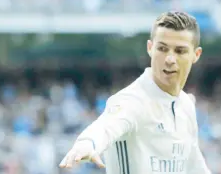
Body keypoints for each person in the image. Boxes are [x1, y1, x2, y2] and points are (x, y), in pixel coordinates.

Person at [59, 11, 211, 174]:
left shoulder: (186, 106)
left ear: (196, 55)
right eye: (162, 48)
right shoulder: (133, 100)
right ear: (150, 48)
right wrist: (88, 142)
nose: (169, 59)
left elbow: (194, 165)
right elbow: (106, 126)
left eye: (180, 51)